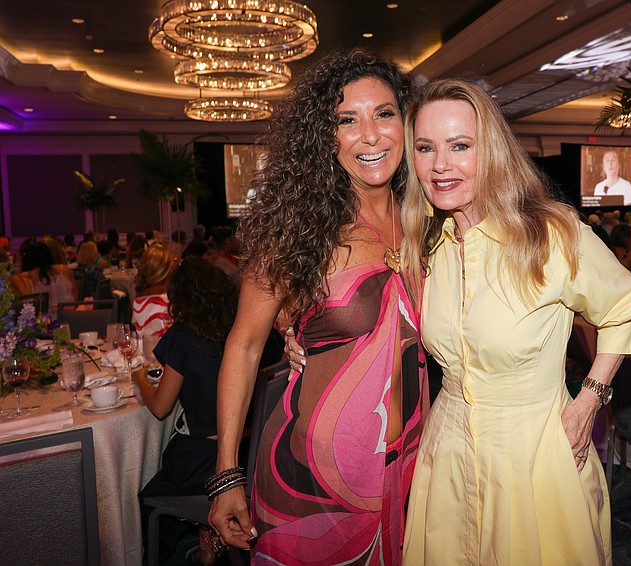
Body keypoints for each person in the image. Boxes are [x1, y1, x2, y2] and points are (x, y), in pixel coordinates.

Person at [398, 79, 631, 564]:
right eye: (426, 148)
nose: (440, 164)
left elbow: (625, 306)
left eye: (460, 146)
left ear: (492, 151)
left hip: (535, 454)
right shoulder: (427, 244)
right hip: (447, 452)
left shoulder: (550, 233)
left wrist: (589, 401)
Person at [208, 49, 428, 565]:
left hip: (413, 465)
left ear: (407, 122)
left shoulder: (428, 221)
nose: (370, 136)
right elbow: (243, 346)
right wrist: (225, 474)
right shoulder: (297, 230)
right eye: (347, 120)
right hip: (310, 475)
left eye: (384, 114)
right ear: (323, 137)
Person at [134, 256, 283, 564]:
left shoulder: (183, 337)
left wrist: (139, 378)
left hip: (203, 462)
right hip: (250, 454)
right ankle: (207, 542)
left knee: (144, 494)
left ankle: (179, 548)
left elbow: (161, 407)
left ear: (180, 300)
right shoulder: (248, 333)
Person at [10, 240, 76, 316]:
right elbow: (75, 297)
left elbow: (18, 308)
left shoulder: (23, 278)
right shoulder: (64, 269)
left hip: (43, 321)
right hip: (71, 317)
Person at [132, 243, 174, 338]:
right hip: (163, 346)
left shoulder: (138, 299)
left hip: (143, 346)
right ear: (168, 270)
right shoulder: (168, 301)